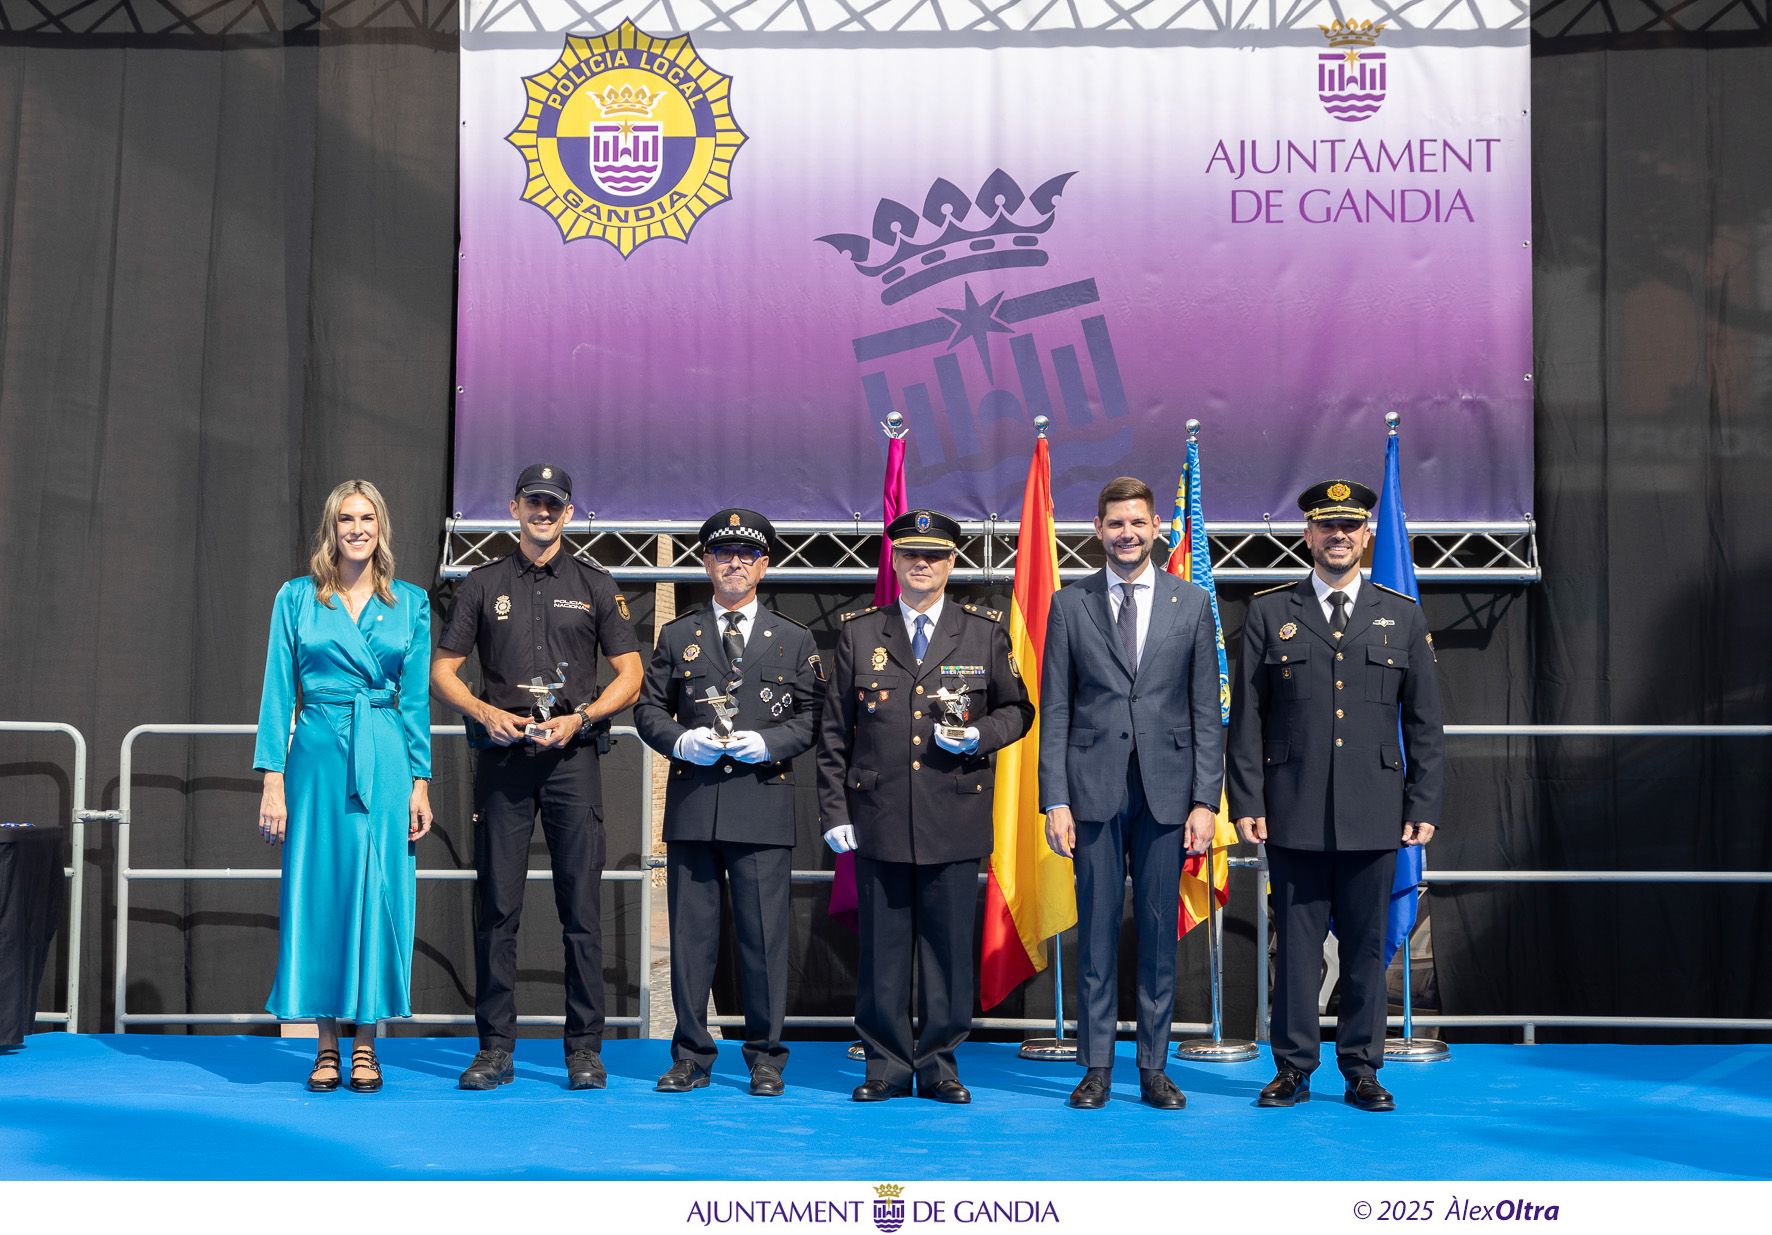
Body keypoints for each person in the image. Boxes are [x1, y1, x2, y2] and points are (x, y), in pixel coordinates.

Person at [1228, 479, 1444, 1112]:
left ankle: (1362, 1070)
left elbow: (1425, 723)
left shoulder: (1400, 614)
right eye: (1327, 527)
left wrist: (1423, 803)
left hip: (1377, 811)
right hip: (1291, 809)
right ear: (1309, 536)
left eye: (1350, 527)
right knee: (1294, 951)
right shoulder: (1272, 612)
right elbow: (1248, 720)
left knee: (1366, 947)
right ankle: (1293, 1067)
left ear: (1367, 535)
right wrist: (1247, 802)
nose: (1339, 536)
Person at [431, 464, 643, 1091]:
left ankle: (584, 1050)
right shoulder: (480, 584)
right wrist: (484, 711)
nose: (543, 513)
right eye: (533, 502)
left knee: (580, 904)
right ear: (513, 507)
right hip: (504, 753)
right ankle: (495, 1048)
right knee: (497, 906)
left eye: (554, 504)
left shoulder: (596, 584)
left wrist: (583, 716)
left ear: (569, 513)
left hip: (572, 756)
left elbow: (630, 675)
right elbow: (443, 672)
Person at [816, 509, 1034, 1104]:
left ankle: (938, 1062)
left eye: (934, 555)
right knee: (883, 948)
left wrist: (982, 735)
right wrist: (834, 813)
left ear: (952, 562)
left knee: (946, 948)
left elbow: (1019, 709)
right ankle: (885, 1063)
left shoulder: (983, 631)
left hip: (954, 816)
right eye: (911, 554)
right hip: (878, 817)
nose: (922, 564)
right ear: (895, 560)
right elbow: (834, 733)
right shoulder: (861, 632)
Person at [1038, 476, 1224, 1111]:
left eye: (1137, 523)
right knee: (1093, 934)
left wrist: (1206, 800)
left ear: (1155, 529)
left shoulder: (1191, 604)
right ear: (1097, 530)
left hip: (1169, 793)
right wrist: (1053, 799)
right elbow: (1056, 709)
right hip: (1090, 792)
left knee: (1154, 931)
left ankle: (1152, 1067)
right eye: (1115, 523)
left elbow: (1207, 712)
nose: (1126, 534)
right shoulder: (1069, 605)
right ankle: (1095, 1068)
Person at [634, 509, 822, 1096]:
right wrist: (679, 740)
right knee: (691, 938)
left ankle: (766, 1056)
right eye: (721, 554)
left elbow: (814, 716)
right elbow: (648, 709)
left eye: (746, 555)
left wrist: (767, 742)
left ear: (764, 565)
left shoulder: (795, 638)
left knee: (764, 940)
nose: (733, 564)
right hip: (695, 803)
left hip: (762, 804)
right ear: (706, 562)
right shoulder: (677, 635)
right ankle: (690, 1054)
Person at [254, 479, 433, 1094]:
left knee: (376, 889)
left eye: (367, 518)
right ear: (330, 528)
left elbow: (414, 702)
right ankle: (325, 1042)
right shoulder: (297, 598)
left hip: (383, 755)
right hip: (318, 756)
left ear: (381, 527)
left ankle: (366, 1043)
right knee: (324, 890)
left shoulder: (409, 602)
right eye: (345, 519)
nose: (357, 529)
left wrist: (420, 781)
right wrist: (272, 781)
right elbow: (279, 691)